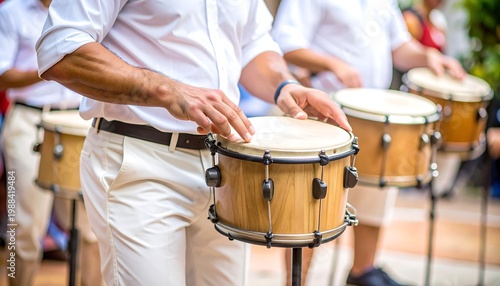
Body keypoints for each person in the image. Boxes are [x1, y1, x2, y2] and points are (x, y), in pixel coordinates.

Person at [35, 1, 352, 285]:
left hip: (228, 169)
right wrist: (168, 90)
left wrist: (284, 86)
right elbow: (61, 49)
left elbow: (253, 43)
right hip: (140, 161)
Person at [271, 0, 465, 285]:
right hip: (321, 115)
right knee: (311, 210)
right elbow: (284, 44)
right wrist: (332, 63)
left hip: (374, 114)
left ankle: (363, 271)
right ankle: (295, 282)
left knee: (375, 197)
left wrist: (428, 56)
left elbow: (399, 47)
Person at [0, 0, 102, 285]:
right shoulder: (11, 12)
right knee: (23, 225)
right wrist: (53, 67)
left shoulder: (87, 7)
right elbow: (1, 76)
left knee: (91, 226)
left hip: (78, 123)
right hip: (29, 120)